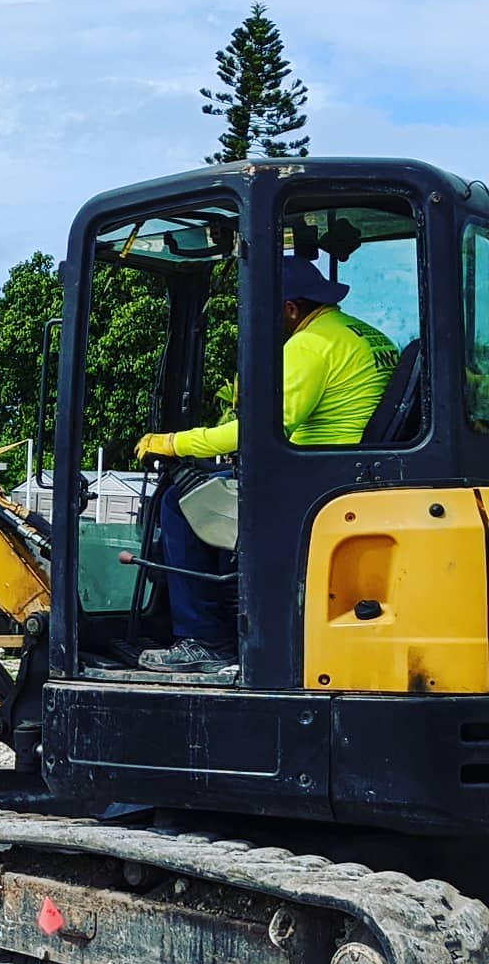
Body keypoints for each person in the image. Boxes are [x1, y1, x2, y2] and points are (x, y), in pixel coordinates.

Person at [132, 257, 400, 673]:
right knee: (208, 491)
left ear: (290, 308)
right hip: (347, 469)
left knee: (178, 503)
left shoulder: (310, 345)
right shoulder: (367, 336)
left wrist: (172, 442)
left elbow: (256, 431)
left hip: (313, 480)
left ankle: (204, 638)